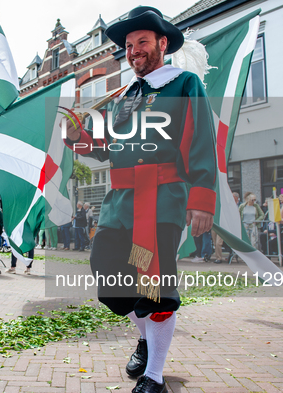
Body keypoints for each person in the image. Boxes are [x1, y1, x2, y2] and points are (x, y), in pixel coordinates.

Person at [64, 6, 217, 392]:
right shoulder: (128, 95)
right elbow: (107, 147)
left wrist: (202, 197)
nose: (134, 51)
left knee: (153, 286)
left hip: (161, 198)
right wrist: (79, 136)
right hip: (120, 203)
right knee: (110, 275)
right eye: (129, 45)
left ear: (162, 44)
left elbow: (201, 140)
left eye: (142, 42)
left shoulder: (184, 84)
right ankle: (147, 339)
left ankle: (154, 377)